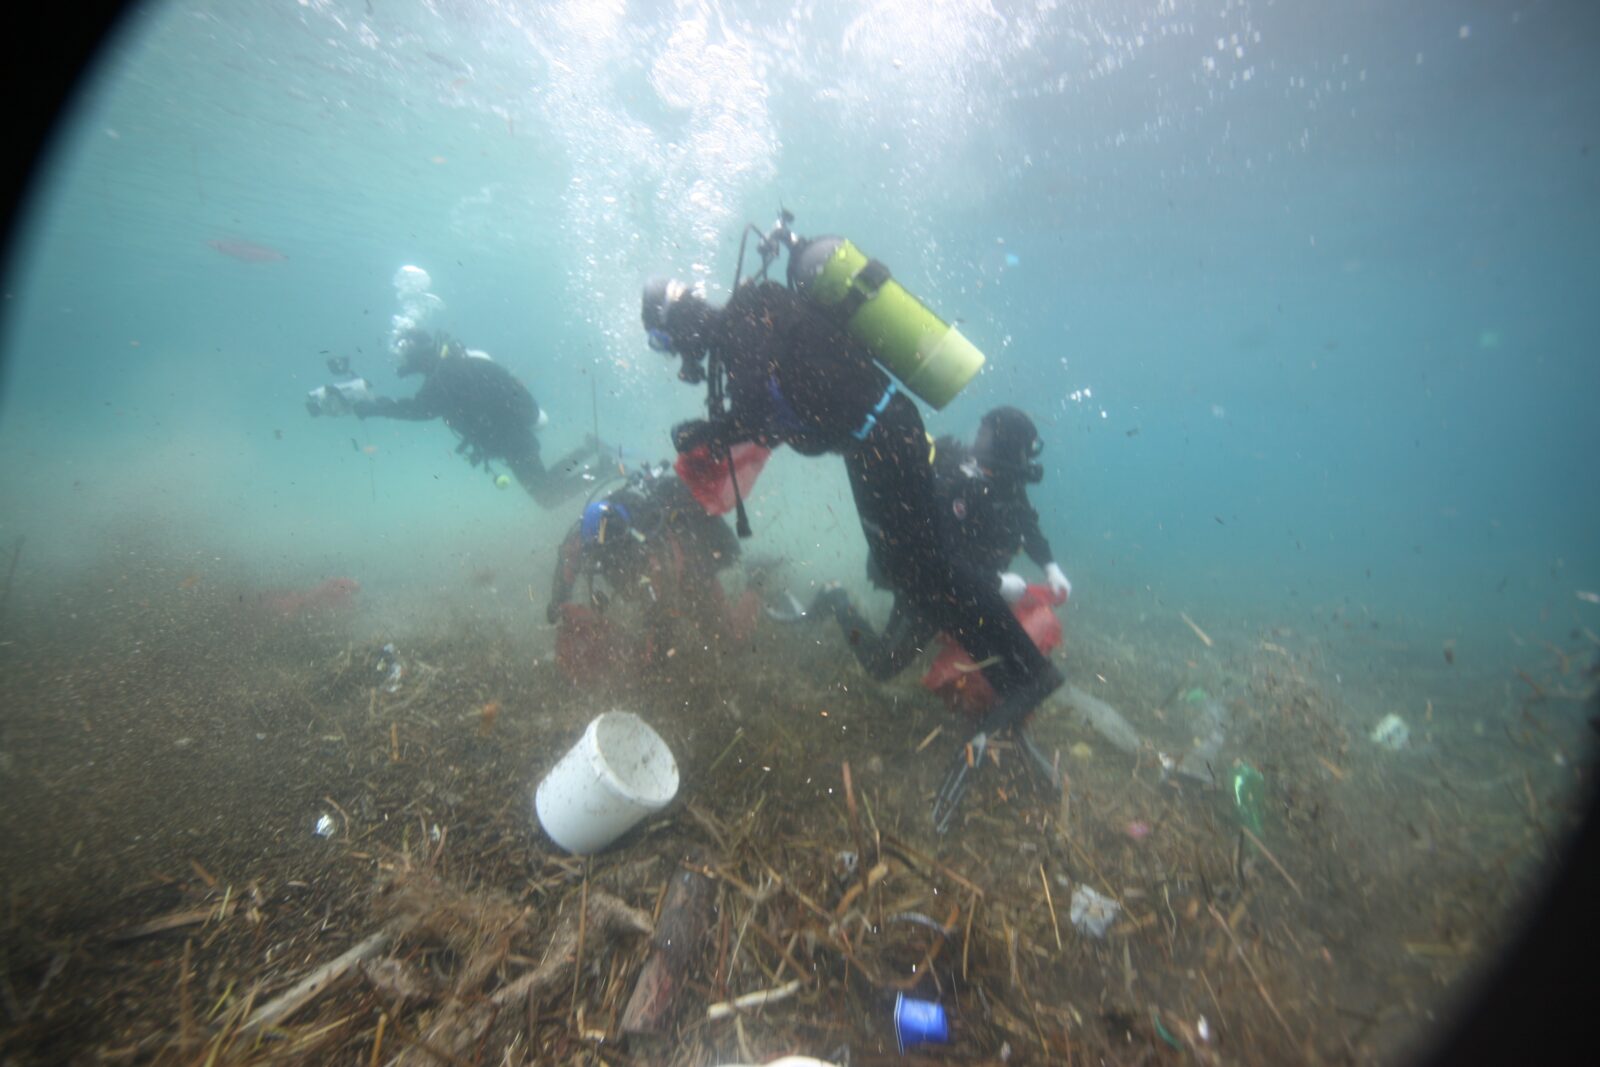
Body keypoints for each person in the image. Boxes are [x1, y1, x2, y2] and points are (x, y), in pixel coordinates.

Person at [641, 274, 1064, 832]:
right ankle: (1014, 666)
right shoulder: (748, 326)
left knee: (927, 565)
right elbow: (772, 409)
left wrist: (710, 428)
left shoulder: (747, 317)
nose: (680, 360)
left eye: (668, 343)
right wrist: (716, 428)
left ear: (684, 320)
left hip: (884, 437)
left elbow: (754, 410)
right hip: (869, 446)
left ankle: (1027, 673)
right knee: (909, 571)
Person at [813, 405, 1073, 683]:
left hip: (972, 588)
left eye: (984, 433)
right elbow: (937, 557)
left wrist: (1051, 567)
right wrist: (997, 584)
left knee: (1000, 657)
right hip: (928, 587)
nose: (977, 439)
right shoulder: (953, 480)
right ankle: (837, 598)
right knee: (881, 666)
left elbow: (1025, 524)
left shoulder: (1007, 483)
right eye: (981, 431)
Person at [307, 328, 597, 508]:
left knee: (546, 496)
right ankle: (591, 450)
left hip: (510, 438)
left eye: (407, 357)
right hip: (511, 435)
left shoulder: (446, 373)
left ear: (419, 355)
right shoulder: (453, 365)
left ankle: (606, 466)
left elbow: (421, 409)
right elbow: (427, 404)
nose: (406, 365)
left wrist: (377, 408)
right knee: (545, 485)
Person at [546, 463, 756, 678]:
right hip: (657, 567)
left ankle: (758, 579)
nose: (607, 560)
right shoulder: (589, 532)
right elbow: (568, 559)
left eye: (614, 554)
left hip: (690, 567)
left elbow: (663, 606)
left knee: (730, 640)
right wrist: (559, 603)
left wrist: (655, 653)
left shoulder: (654, 548)